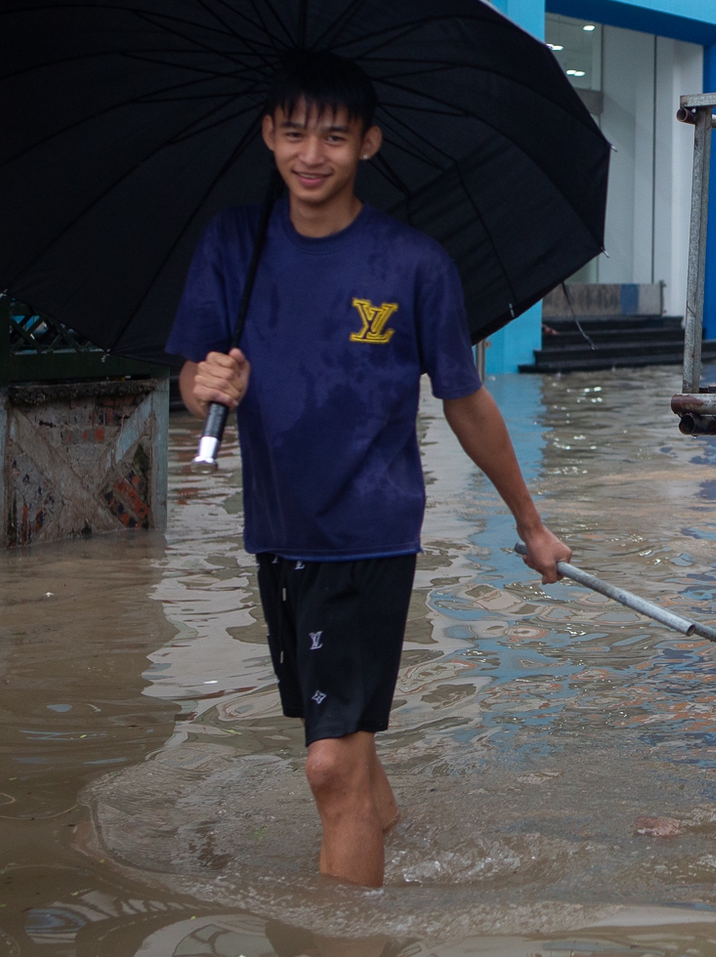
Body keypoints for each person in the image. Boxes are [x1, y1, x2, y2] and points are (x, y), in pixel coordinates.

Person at [167, 58, 571, 889]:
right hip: (277, 530)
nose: (310, 153)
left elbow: (466, 402)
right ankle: (387, 820)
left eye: (334, 136)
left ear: (369, 143)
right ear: (267, 134)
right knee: (335, 731)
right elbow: (192, 373)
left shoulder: (413, 265)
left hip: (370, 533)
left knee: (326, 767)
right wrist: (203, 384)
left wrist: (528, 522)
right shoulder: (233, 243)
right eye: (293, 132)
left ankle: (350, 929)